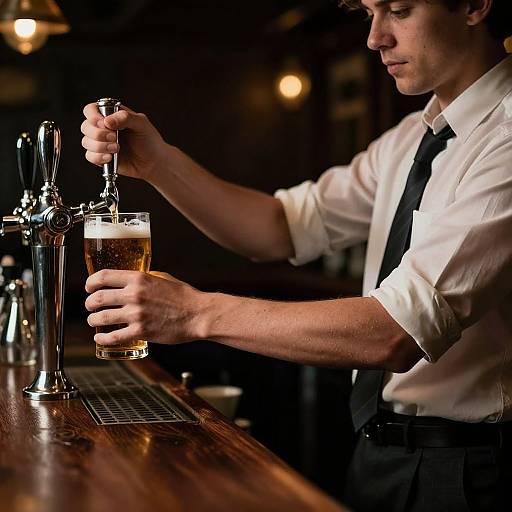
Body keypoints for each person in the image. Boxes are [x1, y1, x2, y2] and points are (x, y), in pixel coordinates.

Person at [81, 0, 512, 510]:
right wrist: (157, 164)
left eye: (399, 10)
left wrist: (194, 313)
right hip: (379, 453)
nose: (375, 39)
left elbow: (396, 331)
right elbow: (277, 228)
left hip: (470, 471)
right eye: (369, 13)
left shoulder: (504, 138)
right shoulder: (410, 139)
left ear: (473, 6)